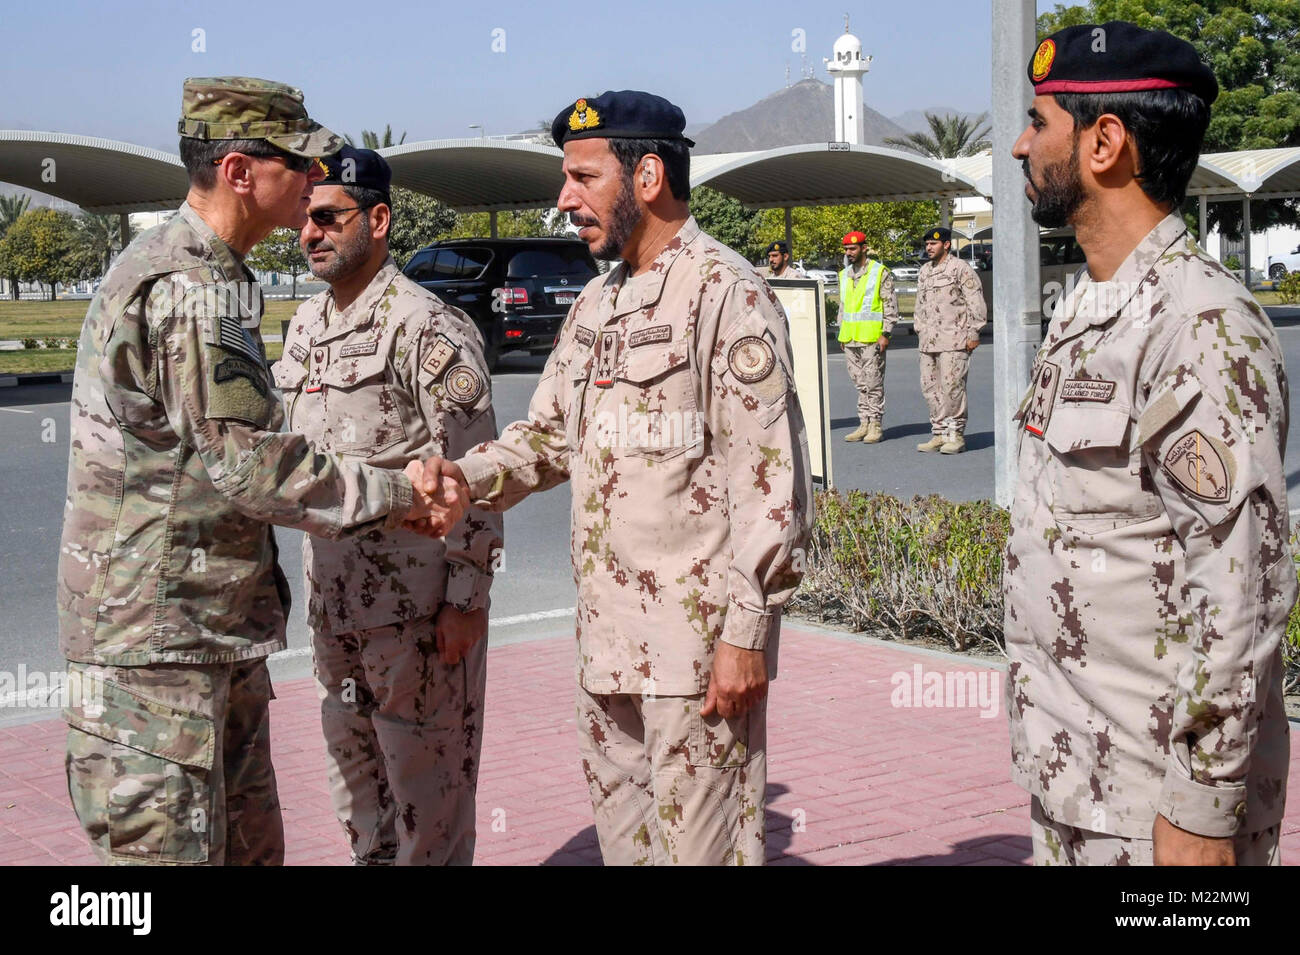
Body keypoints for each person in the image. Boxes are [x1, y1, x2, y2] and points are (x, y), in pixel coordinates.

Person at [57, 77, 462, 866]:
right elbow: (251, 466)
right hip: (158, 658)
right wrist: (399, 495)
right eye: (299, 164)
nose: (316, 181)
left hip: (204, 639)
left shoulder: (215, 277)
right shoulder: (188, 286)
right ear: (240, 170)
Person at [423, 90, 812, 866]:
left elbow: (772, 483)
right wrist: (461, 477)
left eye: (583, 177)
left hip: (694, 659)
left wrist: (746, 636)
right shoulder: (597, 302)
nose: (564, 199)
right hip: (606, 653)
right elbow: (544, 438)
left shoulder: (725, 293)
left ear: (647, 177)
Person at [1006, 21, 1294, 865]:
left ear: (1105, 143)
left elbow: (1243, 584)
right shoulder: (1092, 310)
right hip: (1078, 785)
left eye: (1038, 122)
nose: (1020, 145)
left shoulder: (1198, 326)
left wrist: (1201, 810)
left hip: (1154, 809)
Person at [274, 146, 502, 865]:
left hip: (418, 623)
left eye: (329, 217)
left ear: (378, 218)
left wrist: (467, 598)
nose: (311, 233)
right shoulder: (306, 326)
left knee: (428, 816)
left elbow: (479, 474)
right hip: (334, 612)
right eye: (304, 221)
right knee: (361, 811)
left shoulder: (426, 326)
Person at [913, 226, 986, 454]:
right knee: (930, 388)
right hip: (928, 341)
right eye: (926, 244)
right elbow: (919, 304)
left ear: (946, 244)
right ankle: (939, 433)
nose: (929, 247)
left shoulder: (960, 269)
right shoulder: (925, 270)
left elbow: (975, 301)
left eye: (933, 244)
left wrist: (974, 332)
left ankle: (955, 434)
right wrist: (919, 328)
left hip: (954, 340)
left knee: (952, 387)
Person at [838, 234, 899, 443]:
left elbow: (890, 305)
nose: (848, 253)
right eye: (846, 249)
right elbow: (844, 306)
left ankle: (875, 424)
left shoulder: (879, 272)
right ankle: (863, 423)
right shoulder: (844, 275)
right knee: (860, 383)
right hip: (850, 337)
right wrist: (841, 332)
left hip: (872, 338)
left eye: (853, 249)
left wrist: (886, 333)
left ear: (864, 248)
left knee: (873, 383)